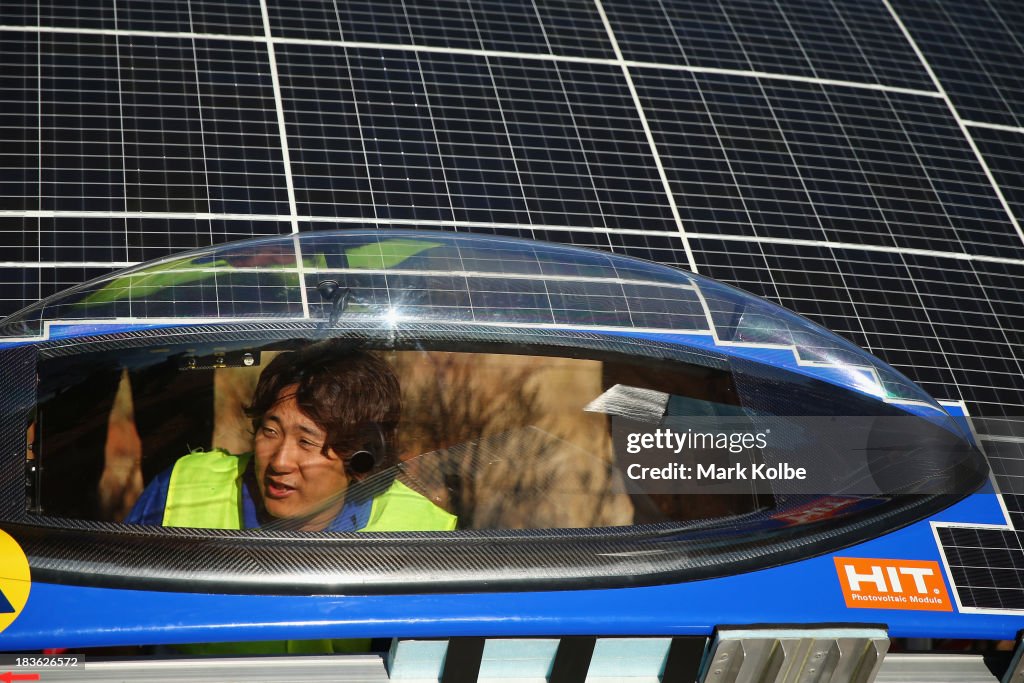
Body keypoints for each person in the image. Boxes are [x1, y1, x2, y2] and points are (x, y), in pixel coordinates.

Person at [126, 340, 457, 534]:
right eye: (270, 431)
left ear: (360, 458)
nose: (280, 462)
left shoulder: (418, 528)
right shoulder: (184, 487)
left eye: (306, 442)